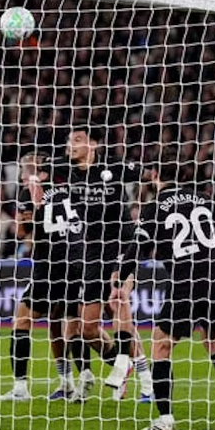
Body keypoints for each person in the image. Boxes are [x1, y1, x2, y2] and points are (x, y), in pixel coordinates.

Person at [115, 150, 215, 430]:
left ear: (155, 174)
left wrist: (120, 276)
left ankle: (165, 421)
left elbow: (138, 248)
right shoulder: (205, 199)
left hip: (185, 282)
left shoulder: (154, 207)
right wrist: (213, 258)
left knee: (160, 344)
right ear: (186, 175)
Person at [60, 125, 153, 402]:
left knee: (119, 304)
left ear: (93, 144)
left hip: (121, 246)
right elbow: (38, 166)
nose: (71, 145)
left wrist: (146, 209)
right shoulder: (66, 170)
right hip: (92, 252)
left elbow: (148, 173)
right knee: (87, 329)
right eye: (69, 140)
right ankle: (119, 365)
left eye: (78, 140)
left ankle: (147, 382)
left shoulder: (112, 166)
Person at [0, 152, 76, 402]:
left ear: (39, 171)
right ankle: (68, 382)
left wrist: (21, 220)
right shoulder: (68, 189)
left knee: (22, 321)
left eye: (26, 169)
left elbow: (23, 232)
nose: (22, 174)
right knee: (61, 324)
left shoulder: (30, 191)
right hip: (76, 264)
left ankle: (20, 388)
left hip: (47, 266)